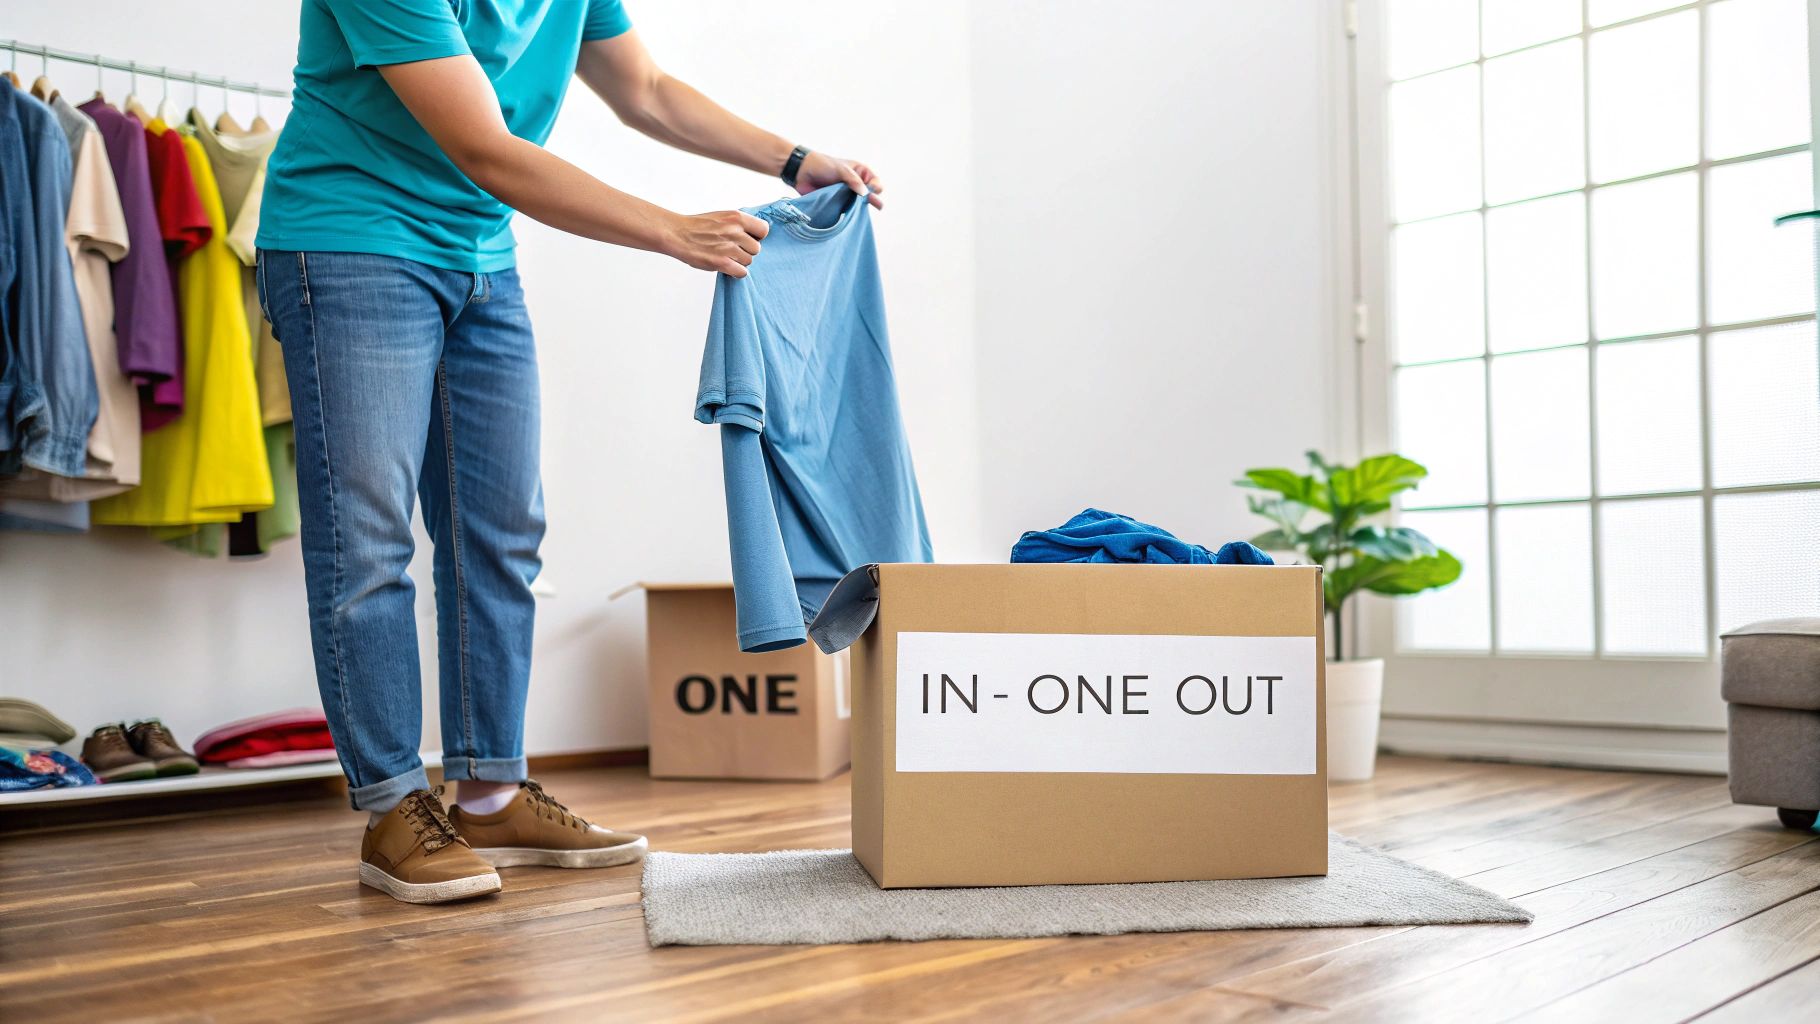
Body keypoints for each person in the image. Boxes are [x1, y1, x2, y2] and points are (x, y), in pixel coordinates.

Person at [255, 0, 883, 905]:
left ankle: (490, 792)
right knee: (370, 541)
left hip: (480, 254)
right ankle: (394, 805)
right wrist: (672, 229)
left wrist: (794, 161)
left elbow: (648, 90)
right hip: (350, 242)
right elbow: (485, 148)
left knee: (502, 529)